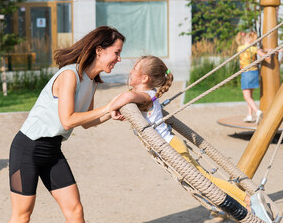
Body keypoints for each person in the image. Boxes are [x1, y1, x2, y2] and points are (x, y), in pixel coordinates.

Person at [109, 55, 273, 223]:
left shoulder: (145, 95)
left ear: (145, 78)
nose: (130, 71)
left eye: (134, 69)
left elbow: (125, 98)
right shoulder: (146, 94)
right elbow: (123, 97)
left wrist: (112, 108)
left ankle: (248, 201)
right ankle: (246, 202)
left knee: (206, 181)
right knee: (204, 180)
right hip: (170, 146)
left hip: (171, 147)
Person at [8, 26, 125, 223]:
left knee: (75, 210)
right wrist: (108, 106)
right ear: (99, 50)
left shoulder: (92, 81)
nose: (119, 59)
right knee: (22, 215)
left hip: (52, 151)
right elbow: (68, 120)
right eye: (117, 52)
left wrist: (111, 113)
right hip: (27, 149)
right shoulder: (70, 75)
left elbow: (87, 121)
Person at [235, 31, 266, 124]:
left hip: (246, 73)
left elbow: (238, 41)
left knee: (246, 96)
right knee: (250, 95)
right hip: (254, 72)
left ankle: (257, 112)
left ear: (243, 39)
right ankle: (249, 115)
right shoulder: (254, 48)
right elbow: (264, 56)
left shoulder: (240, 48)